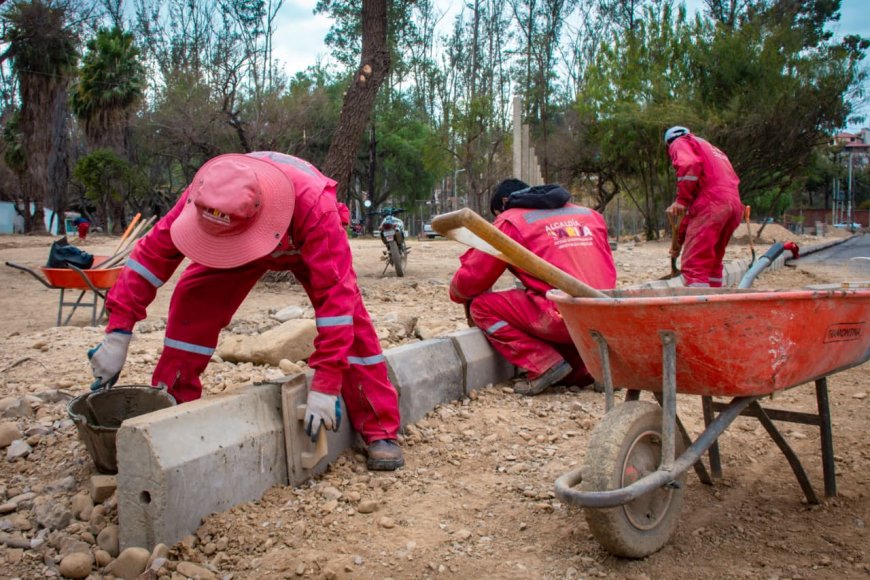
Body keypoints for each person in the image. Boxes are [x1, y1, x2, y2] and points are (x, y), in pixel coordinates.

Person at [87, 152, 404, 471]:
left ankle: (380, 429)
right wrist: (118, 332)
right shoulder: (204, 195)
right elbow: (149, 258)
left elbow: (337, 300)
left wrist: (326, 382)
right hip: (236, 241)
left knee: (353, 326)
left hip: (302, 240)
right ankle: (172, 412)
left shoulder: (314, 205)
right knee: (192, 302)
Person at [449, 179, 617, 396]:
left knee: (482, 307)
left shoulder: (510, 221)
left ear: (504, 202)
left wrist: (456, 291)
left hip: (561, 316)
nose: (496, 219)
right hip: (605, 316)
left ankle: (543, 364)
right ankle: (595, 368)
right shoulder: (589, 215)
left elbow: (473, 279)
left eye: (496, 214)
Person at [664, 126, 744, 287]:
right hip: (733, 205)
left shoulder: (680, 142)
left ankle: (697, 307)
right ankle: (714, 302)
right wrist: (678, 243)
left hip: (712, 204)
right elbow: (690, 215)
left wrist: (681, 200)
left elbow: (688, 164)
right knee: (713, 262)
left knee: (695, 265)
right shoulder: (711, 149)